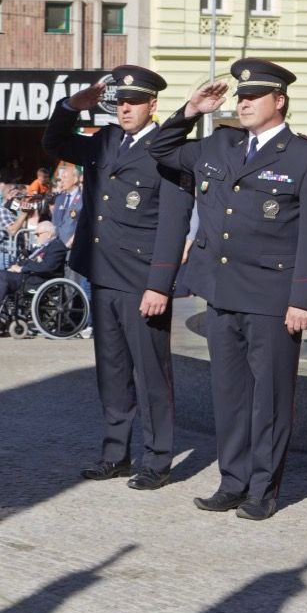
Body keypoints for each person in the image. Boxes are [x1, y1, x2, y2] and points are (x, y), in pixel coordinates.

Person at [147, 58, 307, 520]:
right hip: (221, 293)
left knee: (269, 398)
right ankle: (232, 482)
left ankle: (262, 490)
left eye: (254, 96)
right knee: (229, 395)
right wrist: (191, 110)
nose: (244, 103)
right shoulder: (221, 144)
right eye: (241, 96)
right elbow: (160, 149)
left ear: (280, 100)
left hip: (273, 298)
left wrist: (303, 299)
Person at [43, 65, 194, 490]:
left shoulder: (168, 149)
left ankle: (158, 459)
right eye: (121, 102)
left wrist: (160, 284)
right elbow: (53, 142)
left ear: (152, 105)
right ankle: (115, 454)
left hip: (142, 280)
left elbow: (173, 223)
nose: (125, 109)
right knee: (111, 371)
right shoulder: (105, 140)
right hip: (104, 272)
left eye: (135, 102)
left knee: (151, 373)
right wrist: (72, 106)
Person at [0, 221, 67, 320]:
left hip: (37, 280)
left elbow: (47, 267)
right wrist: (16, 266)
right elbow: (30, 261)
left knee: (0, 276)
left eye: (38, 234)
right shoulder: (42, 247)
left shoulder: (56, 246)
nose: (35, 237)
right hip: (27, 275)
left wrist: (22, 269)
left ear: (48, 234)